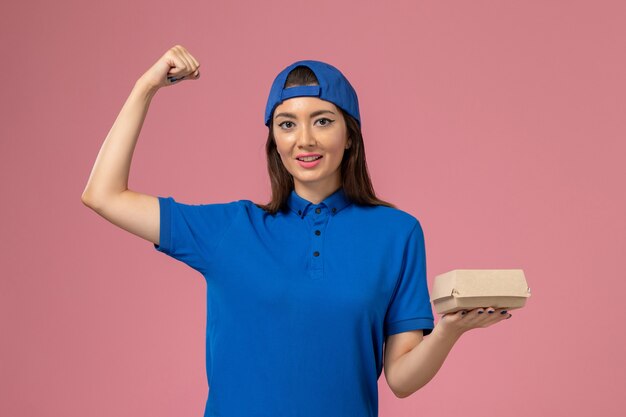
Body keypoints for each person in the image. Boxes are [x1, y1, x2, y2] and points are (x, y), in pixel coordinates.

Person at [81, 45, 512, 417]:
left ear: (350, 137)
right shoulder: (231, 229)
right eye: (287, 124)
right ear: (274, 142)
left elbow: (400, 378)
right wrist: (146, 86)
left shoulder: (396, 234)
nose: (304, 139)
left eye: (322, 120)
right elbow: (103, 194)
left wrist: (449, 330)